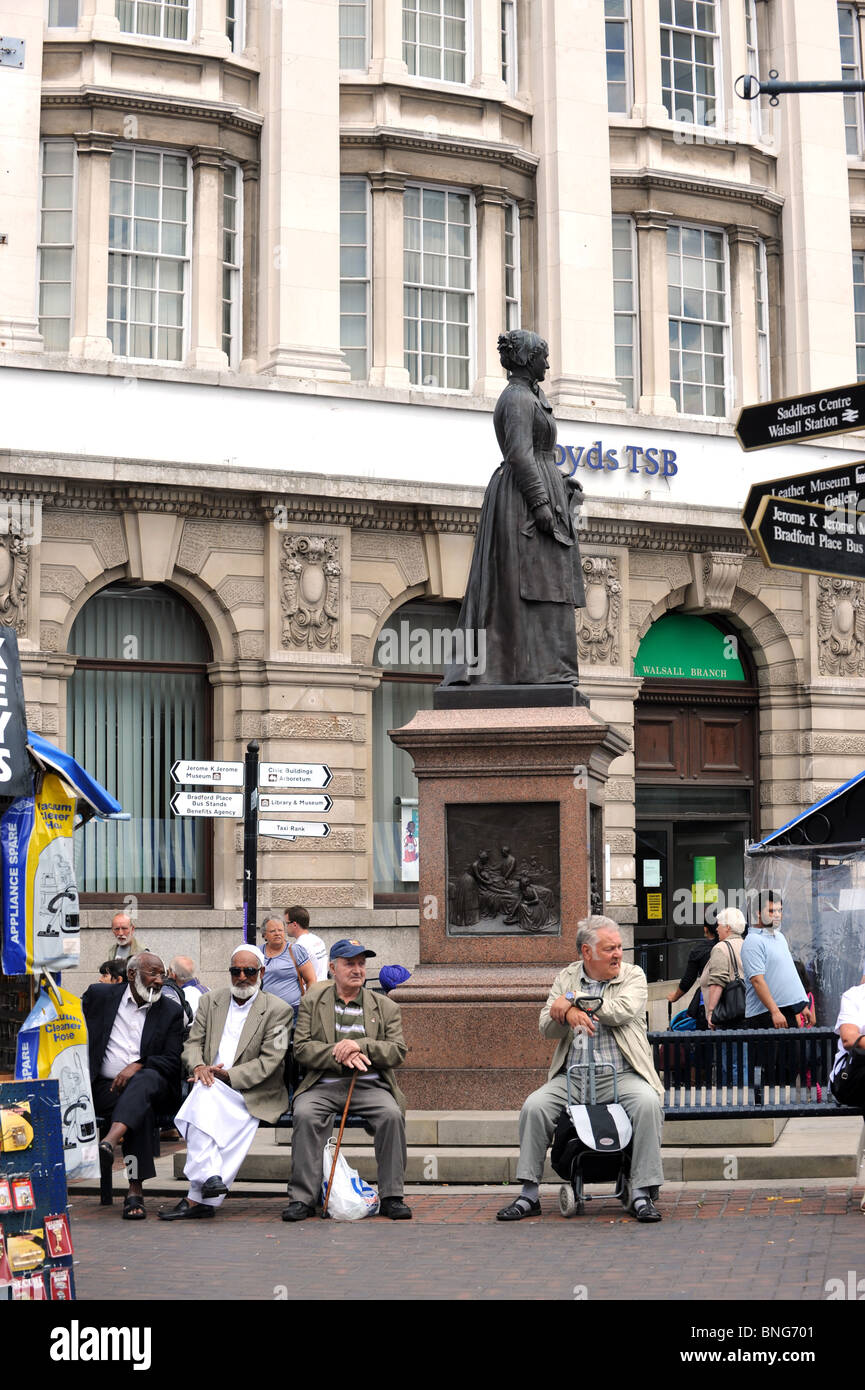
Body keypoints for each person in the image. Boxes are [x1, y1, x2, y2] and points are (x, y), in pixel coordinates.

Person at [441, 328, 586, 690]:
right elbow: (520, 453)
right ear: (526, 359)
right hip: (521, 502)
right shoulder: (518, 399)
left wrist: (561, 482)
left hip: (540, 492)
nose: (548, 363)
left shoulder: (532, 398)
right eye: (543, 356)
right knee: (524, 587)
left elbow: (536, 454)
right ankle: (519, 671)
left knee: (549, 587)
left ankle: (548, 669)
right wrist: (539, 501)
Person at [496, 915, 665, 1224]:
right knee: (534, 1107)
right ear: (587, 952)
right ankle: (528, 1194)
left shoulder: (633, 975)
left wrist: (573, 1002)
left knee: (648, 1103)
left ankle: (641, 1193)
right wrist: (565, 1015)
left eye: (619, 947)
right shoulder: (566, 976)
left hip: (622, 1075)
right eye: (610, 948)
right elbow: (546, 1026)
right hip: (573, 1078)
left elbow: (619, 1011)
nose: (618, 954)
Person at [158, 945, 292, 1222]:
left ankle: (199, 1190)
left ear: (262, 972)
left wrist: (226, 1076)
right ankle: (206, 1186)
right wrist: (198, 1066)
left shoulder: (279, 1010)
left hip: (253, 1090)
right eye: (236, 971)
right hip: (208, 1081)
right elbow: (192, 1043)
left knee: (200, 1102)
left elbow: (272, 1061)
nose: (242, 976)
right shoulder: (211, 1001)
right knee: (204, 1094)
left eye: (249, 971)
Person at [282, 939, 411, 1222]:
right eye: (349, 963)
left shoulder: (385, 1006)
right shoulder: (312, 1002)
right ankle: (303, 1198)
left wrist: (360, 1045)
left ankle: (392, 1195)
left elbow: (397, 1051)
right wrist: (337, 1052)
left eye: (361, 963)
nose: (357, 969)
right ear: (332, 968)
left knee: (390, 1115)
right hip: (322, 1084)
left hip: (370, 1083)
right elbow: (301, 1049)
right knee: (304, 1114)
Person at [82, 952, 183, 1221]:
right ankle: (134, 1192)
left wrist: (138, 1064)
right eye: (153, 974)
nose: (159, 981)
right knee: (137, 1108)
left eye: (162, 974)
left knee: (143, 1081)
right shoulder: (100, 997)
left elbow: (173, 1061)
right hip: (106, 1089)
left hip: (156, 1087)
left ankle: (109, 1142)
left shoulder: (170, 1011)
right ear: (131, 975)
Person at [741, 892, 807, 1029]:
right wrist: (775, 1011)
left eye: (780, 910)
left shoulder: (780, 937)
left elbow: (787, 975)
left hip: (786, 1010)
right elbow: (757, 981)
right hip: (764, 1015)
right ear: (758, 913)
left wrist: (801, 1005)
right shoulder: (753, 940)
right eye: (771, 911)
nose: (777, 914)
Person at [261, 916, 316, 1022]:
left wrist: (308, 1005)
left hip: (294, 1011)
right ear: (264, 935)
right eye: (272, 931)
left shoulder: (295, 950)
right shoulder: (258, 953)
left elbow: (311, 980)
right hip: (267, 1012)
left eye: (280, 930)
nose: (277, 933)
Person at [666, 922, 719, 1025]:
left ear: (705, 929)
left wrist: (675, 997)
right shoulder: (733, 946)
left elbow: (688, 979)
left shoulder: (699, 950)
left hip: (706, 1004)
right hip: (733, 1003)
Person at [703, 908, 747, 1030]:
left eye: (719, 925)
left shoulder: (721, 948)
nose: (716, 929)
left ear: (727, 927)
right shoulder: (747, 944)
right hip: (747, 1013)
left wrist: (711, 1011)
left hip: (727, 1018)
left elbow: (718, 981)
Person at [284, 905, 328, 983]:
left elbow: (299, 977)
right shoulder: (318, 940)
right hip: (323, 986)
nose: (285, 927)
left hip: (311, 990)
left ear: (294, 924)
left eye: (287, 923)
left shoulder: (299, 946)